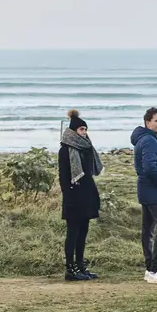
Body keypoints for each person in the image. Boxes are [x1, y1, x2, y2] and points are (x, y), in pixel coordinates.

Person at [58, 108, 102, 282]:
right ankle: (70, 268)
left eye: (85, 130)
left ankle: (81, 265)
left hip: (87, 194)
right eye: (81, 130)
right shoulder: (66, 150)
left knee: (83, 232)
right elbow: (63, 177)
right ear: (73, 131)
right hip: (74, 196)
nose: (84, 133)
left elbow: (90, 172)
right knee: (73, 233)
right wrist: (68, 198)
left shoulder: (87, 148)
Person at [131, 106, 157, 284]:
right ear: (148, 122)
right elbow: (149, 166)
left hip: (148, 190)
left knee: (148, 230)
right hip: (154, 191)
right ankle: (155, 269)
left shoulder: (147, 139)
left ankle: (150, 269)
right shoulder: (149, 141)